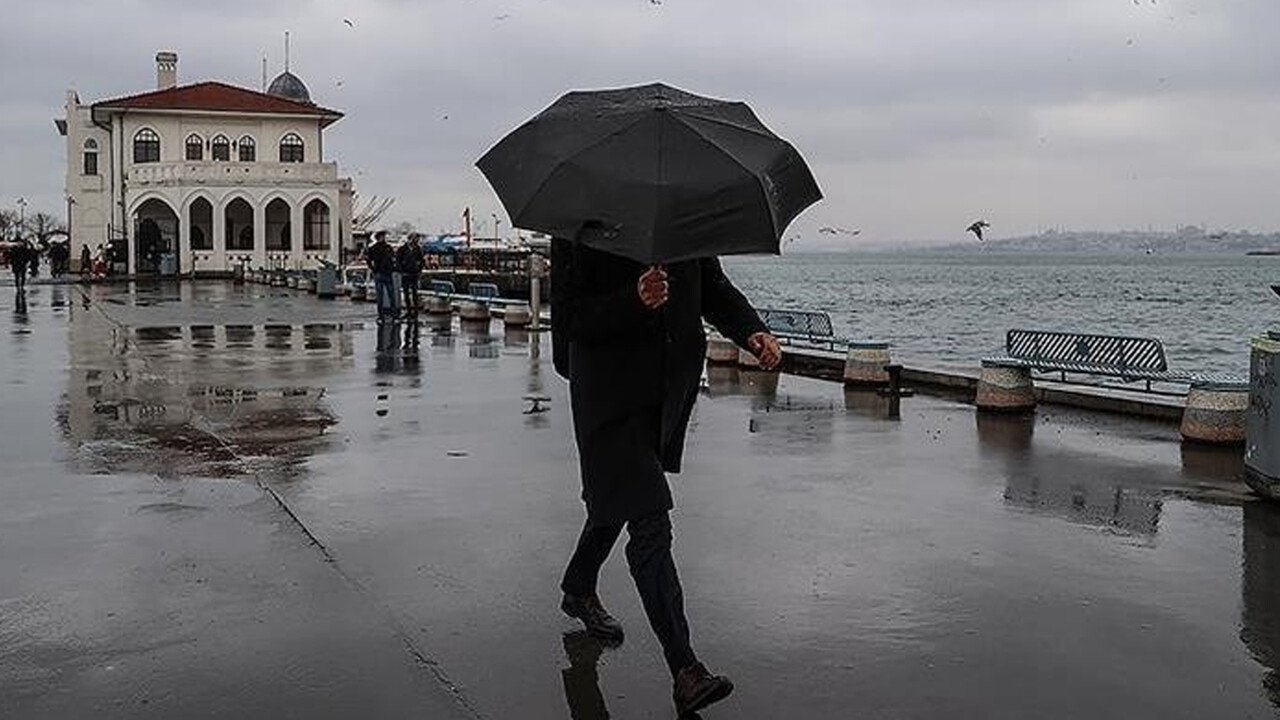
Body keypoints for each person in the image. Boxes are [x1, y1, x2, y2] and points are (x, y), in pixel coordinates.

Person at [551, 230, 782, 717]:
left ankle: (578, 586)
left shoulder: (683, 212)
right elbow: (570, 321)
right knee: (650, 520)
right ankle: (685, 669)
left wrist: (750, 330)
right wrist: (633, 299)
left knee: (620, 498)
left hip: (663, 398)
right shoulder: (580, 222)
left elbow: (712, 286)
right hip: (608, 397)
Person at [365, 231, 399, 323]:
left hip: (381, 273)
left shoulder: (374, 248)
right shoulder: (387, 248)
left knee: (384, 295)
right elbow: (393, 258)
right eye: (382, 236)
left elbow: (368, 260)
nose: (383, 238)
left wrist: (373, 269)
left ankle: (384, 316)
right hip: (384, 273)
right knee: (388, 295)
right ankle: (391, 315)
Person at [396, 233, 426, 316]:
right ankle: (408, 310)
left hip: (414, 273)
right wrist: (401, 271)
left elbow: (421, 260)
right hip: (405, 273)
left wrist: (419, 270)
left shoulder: (418, 249)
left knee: (414, 292)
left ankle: (415, 311)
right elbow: (398, 261)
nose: (416, 241)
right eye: (414, 239)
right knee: (406, 293)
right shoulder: (402, 249)